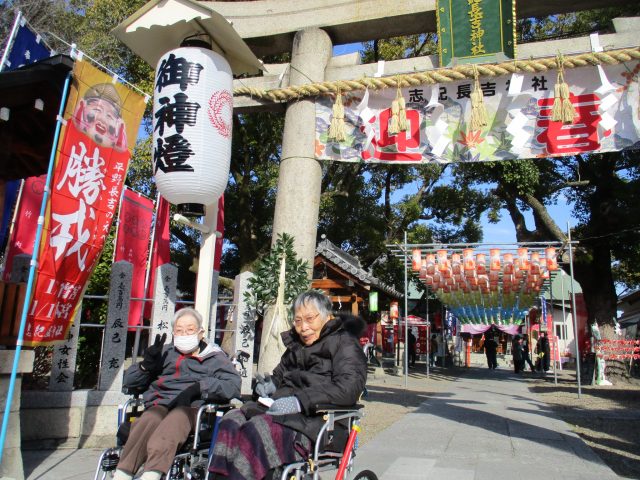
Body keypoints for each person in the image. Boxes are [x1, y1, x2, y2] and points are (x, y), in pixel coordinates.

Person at [209, 290, 367, 480]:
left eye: (310, 319)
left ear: (327, 316)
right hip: (282, 413)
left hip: (320, 422)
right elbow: (279, 375)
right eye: (298, 321)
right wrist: (269, 385)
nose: (303, 327)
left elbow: (349, 388)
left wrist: (300, 402)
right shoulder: (296, 345)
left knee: (257, 429)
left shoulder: (345, 343)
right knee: (231, 421)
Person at [113, 308, 241, 480]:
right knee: (150, 417)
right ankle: (123, 473)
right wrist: (145, 366)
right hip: (160, 403)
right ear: (173, 333)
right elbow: (129, 382)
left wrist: (200, 387)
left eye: (190, 330)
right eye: (179, 330)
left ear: (201, 333)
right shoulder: (164, 353)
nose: (184, 334)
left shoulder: (215, 357)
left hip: (193, 409)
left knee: (176, 418)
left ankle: (151, 474)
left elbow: (233, 385)